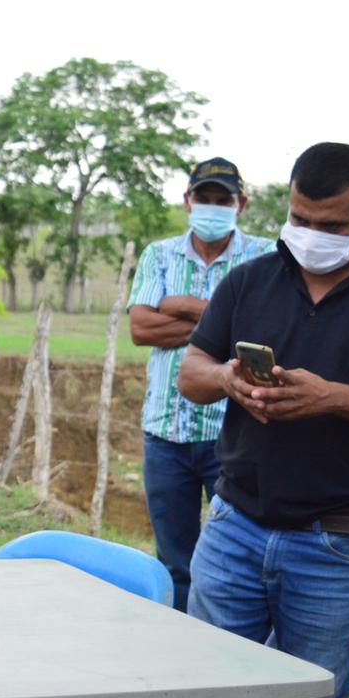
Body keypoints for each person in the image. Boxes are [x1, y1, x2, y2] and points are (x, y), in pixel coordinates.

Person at [178, 142, 349, 698]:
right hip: (234, 524)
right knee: (204, 685)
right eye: (301, 219)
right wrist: (228, 379)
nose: (311, 236)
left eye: (331, 226)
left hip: (337, 540)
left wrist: (332, 397)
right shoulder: (250, 278)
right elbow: (191, 371)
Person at [126, 157, 272, 612]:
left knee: (240, 554)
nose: (212, 207)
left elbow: (265, 330)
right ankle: (179, 644)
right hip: (164, 432)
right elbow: (141, 329)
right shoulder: (159, 253)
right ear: (187, 201)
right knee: (174, 557)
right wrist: (219, 322)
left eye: (222, 200)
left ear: (241, 204)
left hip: (230, 433)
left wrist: (179, 305)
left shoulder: (264, 255)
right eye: (203, 198)